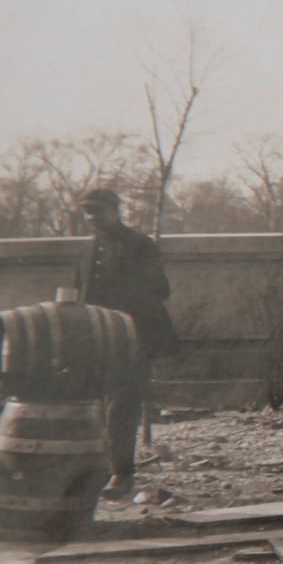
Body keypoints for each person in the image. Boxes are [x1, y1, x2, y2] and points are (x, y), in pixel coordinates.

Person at [76, 188, 179, 499]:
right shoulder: (88, 249)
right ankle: (100, 470)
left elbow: (161, 289)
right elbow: (80, 292)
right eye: (87, 212)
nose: (92, 218)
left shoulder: (141, 245)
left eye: (98, 211)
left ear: (116, 209)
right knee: (96, 406)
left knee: (123, 404)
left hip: (137, 336)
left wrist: (124, 309)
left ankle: (123, 476)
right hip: (99, 337)